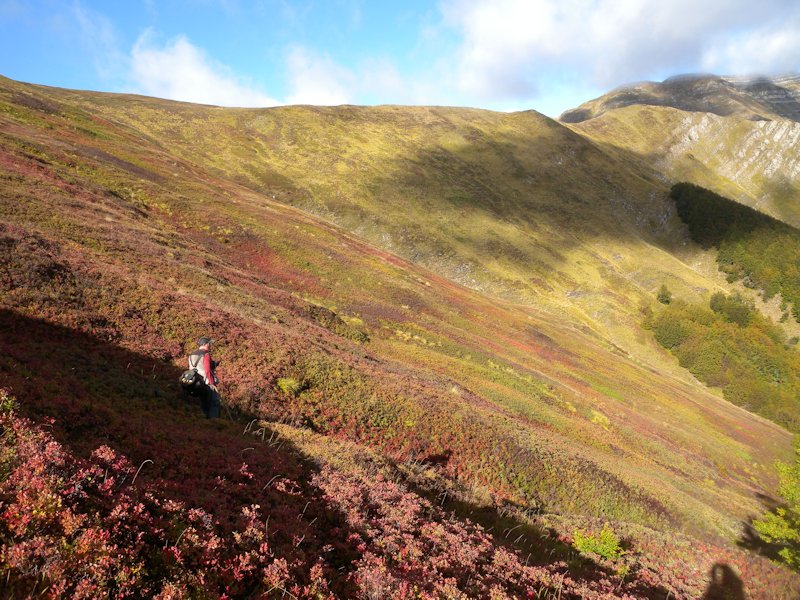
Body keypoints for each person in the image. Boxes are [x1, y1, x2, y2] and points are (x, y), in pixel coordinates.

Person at [188, 336, 220, 418]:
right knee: (214, 402)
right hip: (206, 383)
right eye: (209, 344)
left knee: (202, 403)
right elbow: (207, 370)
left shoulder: (191, 354)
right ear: (205, 344)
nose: (210, 345)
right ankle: (213, 422)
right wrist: (212, 383)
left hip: (195, 383)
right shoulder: (206, 354)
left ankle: (203, 421)